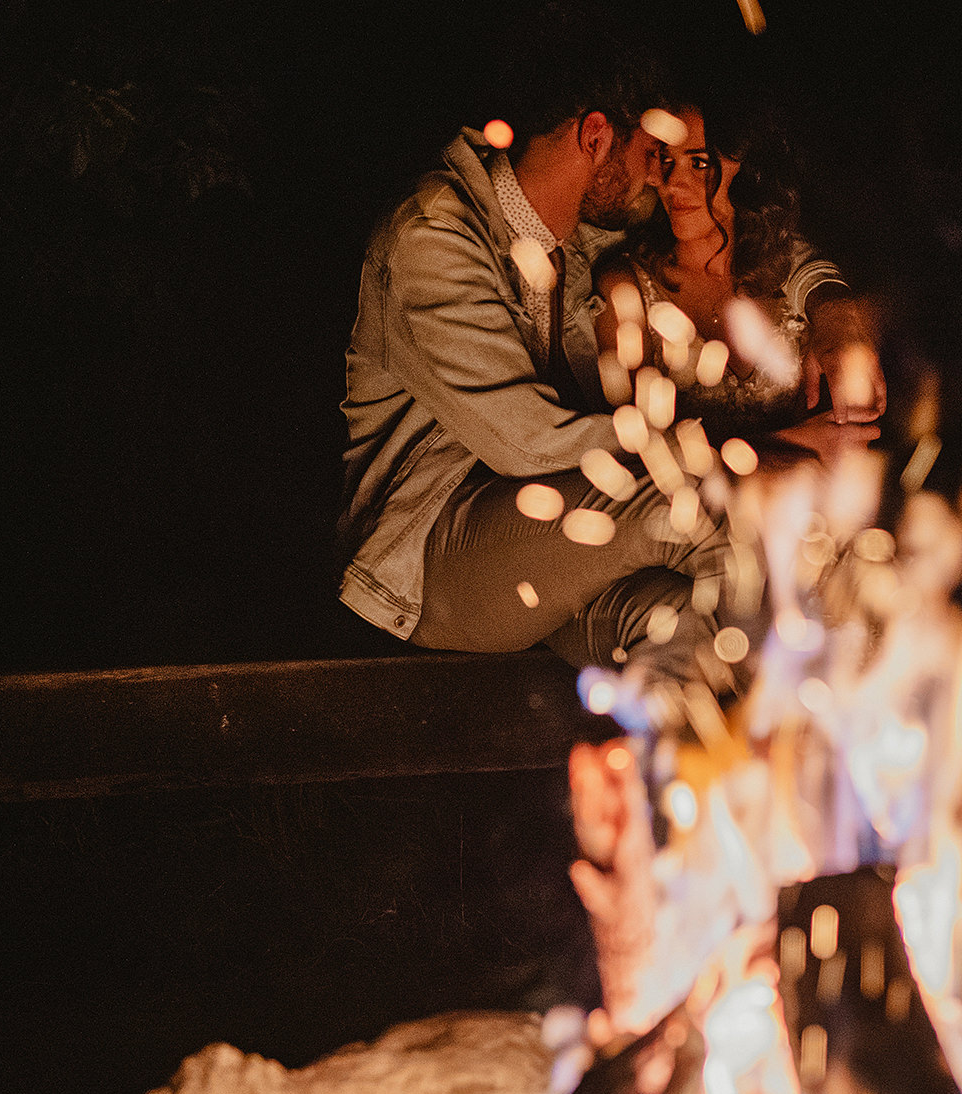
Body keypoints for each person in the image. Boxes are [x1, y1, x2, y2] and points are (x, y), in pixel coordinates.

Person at [338, 7, 884, 676]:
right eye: (651, 153)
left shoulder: (575, 230)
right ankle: (855, 741)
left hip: (565, 552)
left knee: (691, 627)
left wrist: (831, 306)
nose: (660, 177)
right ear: (596, 137)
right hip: (437, 553)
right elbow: (528, 444)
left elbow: (736, 228)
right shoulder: (432, 242)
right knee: (702, 504)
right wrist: (765, 454)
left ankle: (899, 767)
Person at [593, 98, 886, 453]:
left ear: (748, 169)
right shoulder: (626, 290)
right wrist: (786, 444)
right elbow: (634, 453)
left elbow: (845, 436)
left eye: (699, 163)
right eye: (668, 161)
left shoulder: (789, 276)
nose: (673, 184)